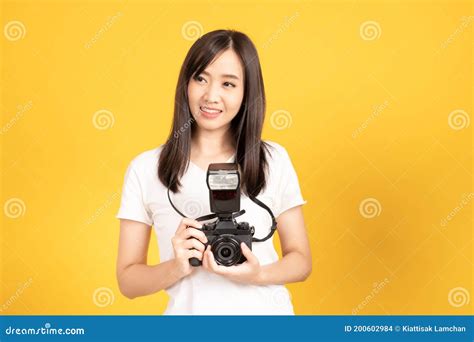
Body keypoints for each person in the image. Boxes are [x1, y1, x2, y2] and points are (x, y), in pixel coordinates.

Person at [116, 29, 312, 315]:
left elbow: (301, 261)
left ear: (247, 92)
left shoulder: (273, 160)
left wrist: (257, 275)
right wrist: (177, 267)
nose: (211, 96)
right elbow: (127, 281)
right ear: (186, 83)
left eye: (228, 84)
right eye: (200, 78)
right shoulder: (146, 169)